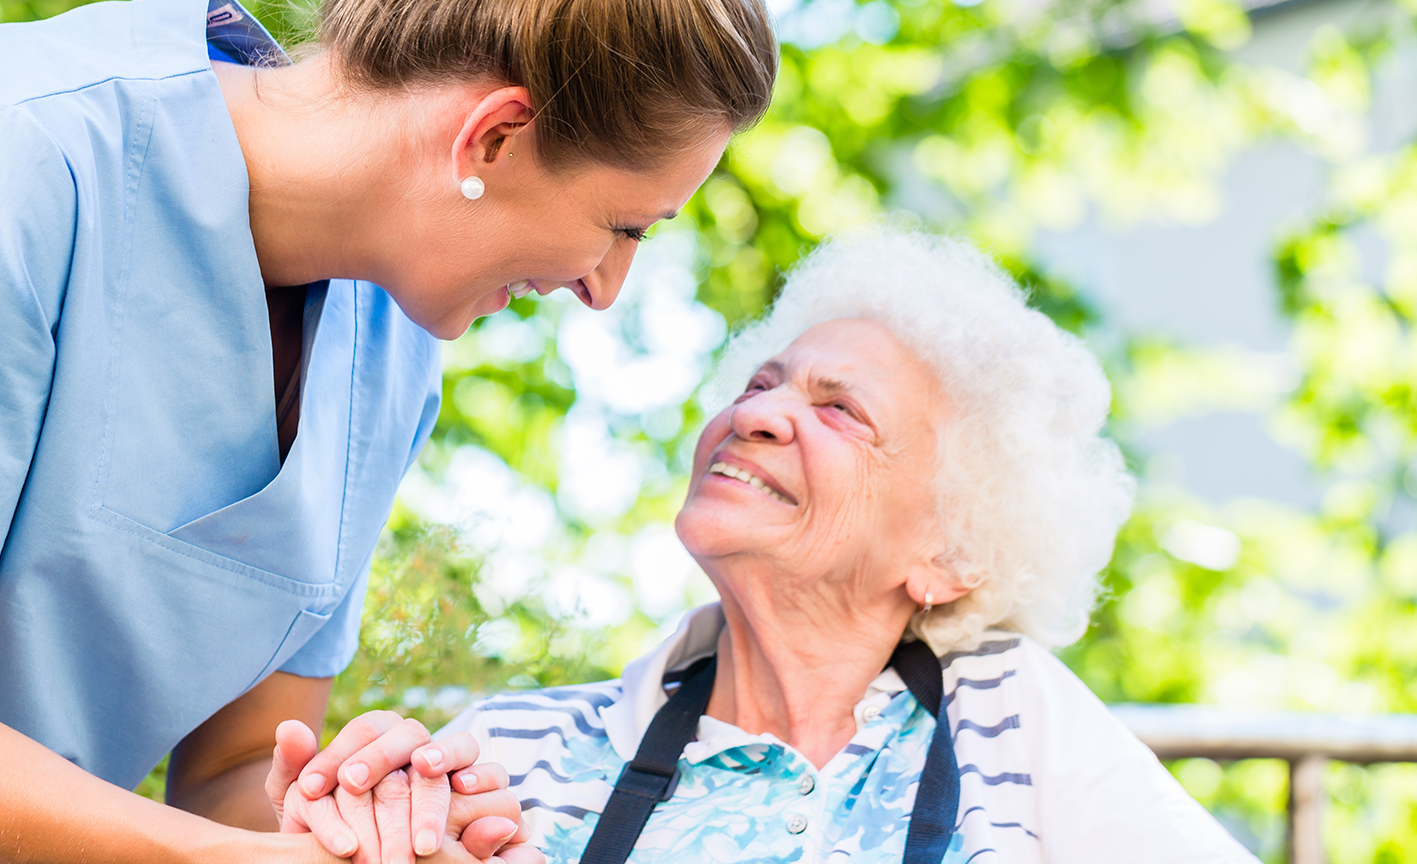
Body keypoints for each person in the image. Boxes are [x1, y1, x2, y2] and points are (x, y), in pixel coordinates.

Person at [0, 0, 778, 861]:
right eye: (624, 226)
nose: (606, 287)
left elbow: (225, 771)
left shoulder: (389, 354)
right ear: (490, 138)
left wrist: (358, 827)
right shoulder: (1, 159)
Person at [442, 230, 1262, 864]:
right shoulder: (512, 754)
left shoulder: (1005, 715)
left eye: (842, 412)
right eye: (763, 384)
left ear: (949, 555)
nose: (756, 415)